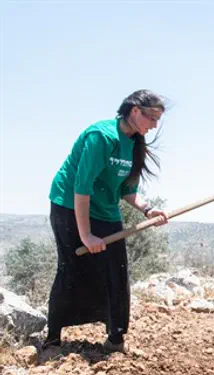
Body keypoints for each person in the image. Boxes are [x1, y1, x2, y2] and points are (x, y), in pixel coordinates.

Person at [46, 89, 169, 353]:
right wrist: (87, 236)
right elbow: (82, 187)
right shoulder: (101, 137)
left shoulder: (136, 144)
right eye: (152, 118)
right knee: (71, 267)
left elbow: (128, 190)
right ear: (135, 111)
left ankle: (115, 339)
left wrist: (148, 210)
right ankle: (53, 339)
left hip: (105, 208)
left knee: (116, 270)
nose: (155, 125)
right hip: (69, 205)